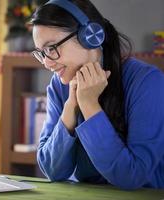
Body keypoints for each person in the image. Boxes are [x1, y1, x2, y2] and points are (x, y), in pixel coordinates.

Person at [31, 0, 164, 189]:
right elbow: (52, 170)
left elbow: (131, 176)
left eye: (51, 49)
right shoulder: (59, 85)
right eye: (41, 53)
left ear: (90, 36)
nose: (46, 63)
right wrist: (71, 107)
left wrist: (89, 104)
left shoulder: (147, 82)